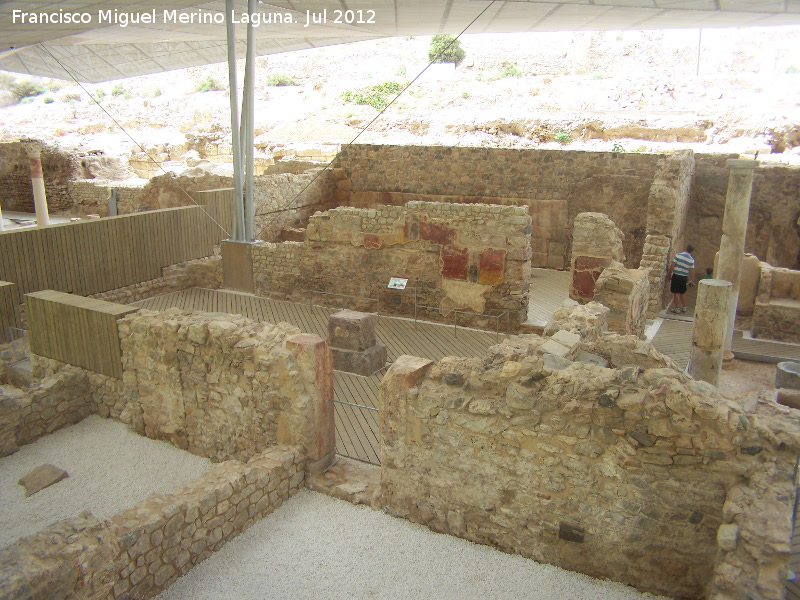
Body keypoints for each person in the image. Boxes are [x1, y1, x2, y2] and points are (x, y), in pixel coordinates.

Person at [667, 244, 696, 314]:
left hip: (676, 276)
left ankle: (677, 308)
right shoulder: (691, 260)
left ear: (686, 248)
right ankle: (684, 307)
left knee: (676, 293)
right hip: (684, 277)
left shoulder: (678, 255)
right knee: (683, 292)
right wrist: (692, 280)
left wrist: (669, 274)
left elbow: (672, 265)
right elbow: (692, 271)